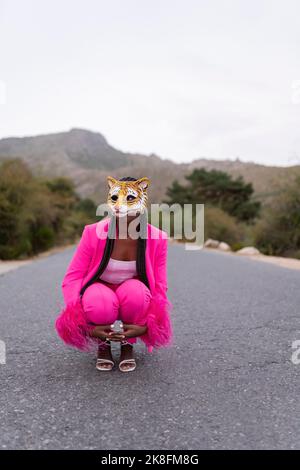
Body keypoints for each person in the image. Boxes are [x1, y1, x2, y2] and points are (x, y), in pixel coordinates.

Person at [55, 176, 173, 372]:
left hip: (132, 291)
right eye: (115, 198)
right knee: (98, 300)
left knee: (136, 293)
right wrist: (83, 324)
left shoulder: (157, 238)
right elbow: (73, 277)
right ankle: (104, 344)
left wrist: (148, 325)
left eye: (128, 199)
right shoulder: (93, 233)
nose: (119, 206)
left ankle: (128, 343)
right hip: (100, 288)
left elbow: (160, 284)